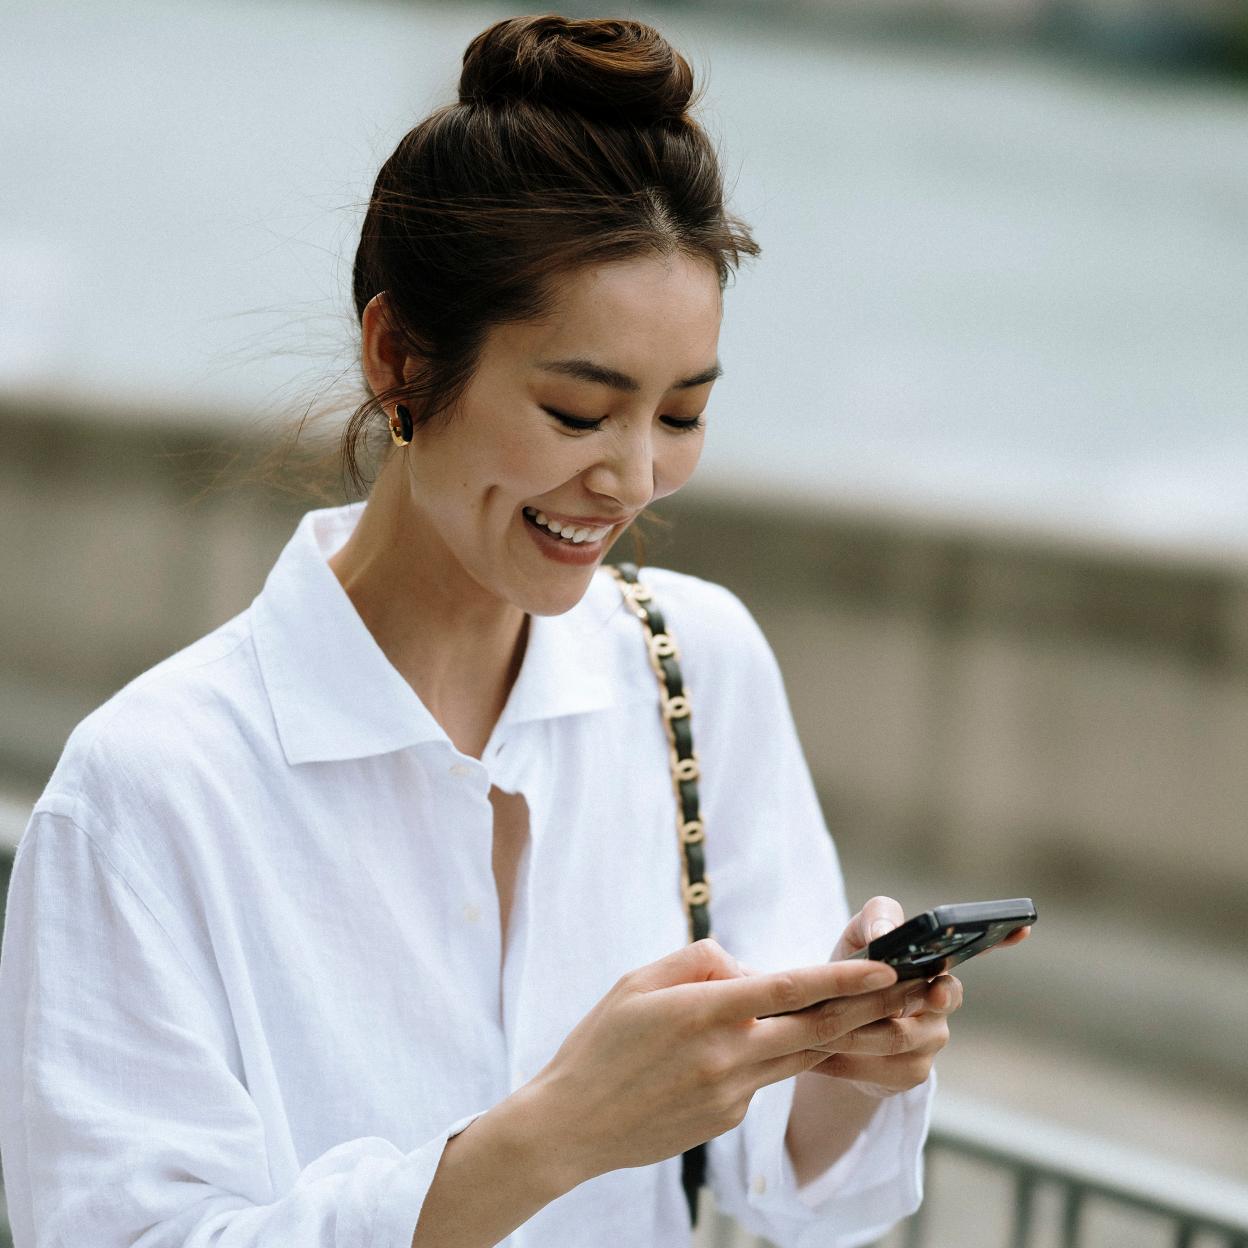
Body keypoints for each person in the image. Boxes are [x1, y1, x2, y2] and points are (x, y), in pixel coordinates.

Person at [0, 14, 1023, 1248]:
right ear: (400, 356)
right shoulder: (150, 791)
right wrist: (554, 1136)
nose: (634, 477)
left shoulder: (699, 668)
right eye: (578, 410)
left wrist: (852, 1066)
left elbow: (789, 1188)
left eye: (682, 413)